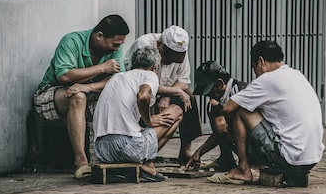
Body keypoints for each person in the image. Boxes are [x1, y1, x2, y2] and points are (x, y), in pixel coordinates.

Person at [207, 40, 324, 186]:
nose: (256, 73)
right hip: (311, 159)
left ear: (261, 61)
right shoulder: (297, 75)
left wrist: (237, 138)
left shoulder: (266, 80)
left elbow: (228, 108)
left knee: (241, 111)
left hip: (289, 158)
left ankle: (243, 169)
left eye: (254, 68)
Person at [33, 14, 130, 179]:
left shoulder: (115, 48)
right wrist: (102, 69)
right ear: (99, 36)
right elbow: (64, 76)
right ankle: (81, 162)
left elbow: (117, 80)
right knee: (78, 96)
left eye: (119, 45)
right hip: (52, 94)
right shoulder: (71, 41)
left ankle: (106, 159)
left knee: (115, 95)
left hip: (88, 93)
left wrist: (89, 86)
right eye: (114, 44)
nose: (117, 49)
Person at [93, 46, 183, 182]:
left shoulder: (117, 77)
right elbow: (143, 96)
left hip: (102, 149)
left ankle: (139, 163)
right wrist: (149, 121)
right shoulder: (150, 75)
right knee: (177, 111)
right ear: (154, 67)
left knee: (141, 131)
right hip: (127, 148)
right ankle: (148, 165)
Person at [124, 25, 202, 164]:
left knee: (188, 97)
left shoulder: (181, 52)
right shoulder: (144, 44)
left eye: (176, 60)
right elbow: (138, 80)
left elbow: (183, 81)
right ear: (159, 45)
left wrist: (167, 96)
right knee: (145, 101)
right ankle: (144, 150)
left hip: (167, 89)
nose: (170, 62)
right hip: (142, 90)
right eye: (167, 58)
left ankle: (186, 149)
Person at [185, 61, 247, 172]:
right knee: (214, 110)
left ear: (220, 83)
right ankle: (226, 159)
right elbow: (218, 134)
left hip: (256, 144)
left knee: (219, 117)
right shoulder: (218, 101)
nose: (210, 97)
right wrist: (198, 153)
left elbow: (223, 129)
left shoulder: (240, 91)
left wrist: (221, 109)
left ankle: (249, 163)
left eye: (210, 92)